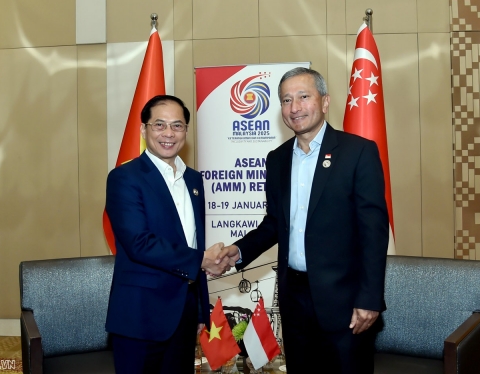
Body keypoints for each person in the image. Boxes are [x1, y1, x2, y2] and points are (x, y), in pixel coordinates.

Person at [217, 68, 389, 373]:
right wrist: (239, 251)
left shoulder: (357, 152)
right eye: (286, 100)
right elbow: (274, 223)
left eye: (303, 96)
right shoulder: (278, 158)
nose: (294, 107)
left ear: (324, 102)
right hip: (294, 299)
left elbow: (373, 232)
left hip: (346, 302)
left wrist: (370, 299)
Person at [105, 95, 232, 374]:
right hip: (140, 316)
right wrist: (202, 259)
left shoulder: (194, 180)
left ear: (186, 131)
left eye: (177, 126)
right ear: (143, 130)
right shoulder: (124, 178)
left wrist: (199, 309)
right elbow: (139, 243)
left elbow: (192, 241)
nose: (168, 133)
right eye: (159, 125)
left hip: (184, 314)